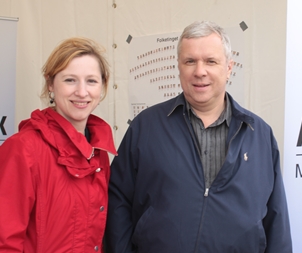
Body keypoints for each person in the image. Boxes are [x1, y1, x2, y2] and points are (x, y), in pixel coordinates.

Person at [105, 21, 292, 253]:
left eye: (211, 61)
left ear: (229, 67)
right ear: (179, 67)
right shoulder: (146, 127)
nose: (199, 71)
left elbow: (276, 218)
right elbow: (118, 202)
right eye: (190, 61)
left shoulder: (259, 134)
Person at [0, 37, 117, 252]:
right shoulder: (23, 149)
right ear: (50, 84)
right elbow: (5, 240)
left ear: (102, 86)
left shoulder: (98, 150)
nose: (82, 92)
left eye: (91, 81)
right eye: (70, 80)